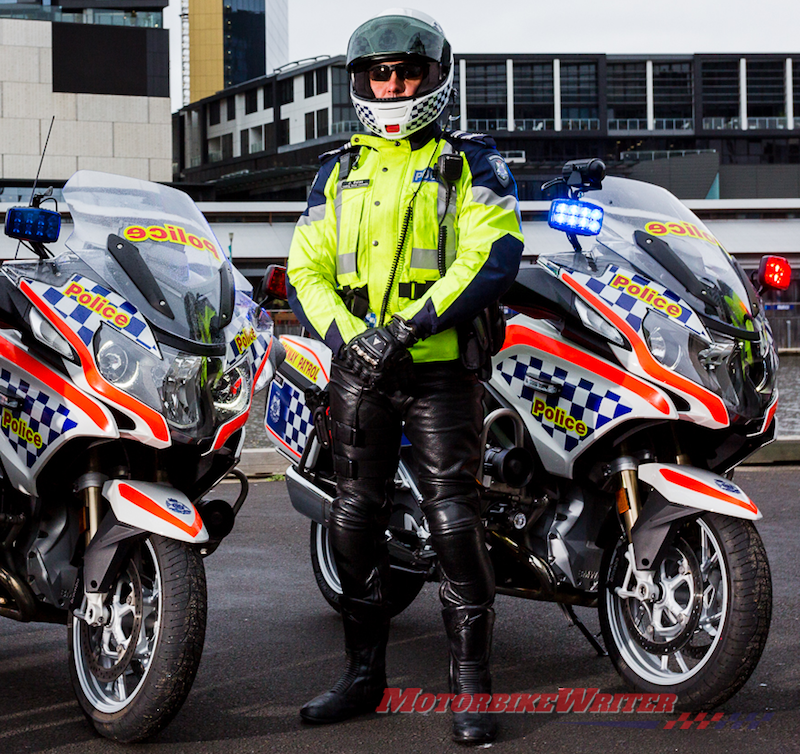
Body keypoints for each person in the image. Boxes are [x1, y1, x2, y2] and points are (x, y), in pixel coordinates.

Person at [286, 8, 524, 745]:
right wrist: (355, 340)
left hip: (440, 371)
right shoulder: (337, 171)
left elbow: (493, 255)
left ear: (433, 77)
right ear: (362, 81)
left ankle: (471, 687)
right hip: (361, 371)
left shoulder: (470, 162)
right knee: (353, 517)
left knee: (454, 519)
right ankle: (363, 676)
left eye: (407, 71)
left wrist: (410, 328)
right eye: (380, 73)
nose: (392, 84)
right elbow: (306, 268)